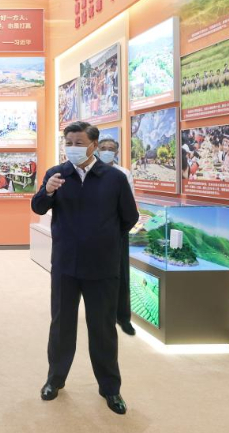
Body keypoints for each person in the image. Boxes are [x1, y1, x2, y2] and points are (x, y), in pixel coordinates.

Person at [31, 121, 138, 415]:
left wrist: (102, 239)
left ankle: (110, 388)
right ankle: (55, 380)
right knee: (61, 325)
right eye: (69, 143)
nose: (73, 148)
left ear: (93, 145)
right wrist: (47, 191)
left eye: (79, 143)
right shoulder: (57, 174)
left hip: (102, 266)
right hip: (65, 264)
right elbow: (38, 207)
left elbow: (129, 218)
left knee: (102, 328)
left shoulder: (114, 178)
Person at [97, 136, 137, 337]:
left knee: (121, 274)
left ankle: (123, 318)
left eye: (110, 148)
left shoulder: (123, 174)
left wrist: (120, 228)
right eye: (103, 147)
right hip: (94, 232)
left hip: (117, 231)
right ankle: (102, 315)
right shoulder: (90, 173)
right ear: (97, 149)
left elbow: (130, 205)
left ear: (117, 152)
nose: (106, 151)